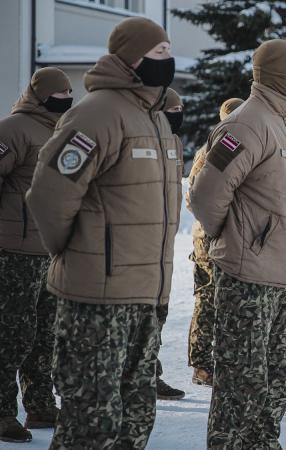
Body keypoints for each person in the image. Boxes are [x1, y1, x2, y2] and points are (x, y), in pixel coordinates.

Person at [26, 17, 180, 448]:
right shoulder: (96, 113)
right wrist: (75, 253)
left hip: (146, 295)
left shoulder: (156, 118)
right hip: (97, 296)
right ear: (132, 58)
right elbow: (48, 196)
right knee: (90, 422)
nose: (169, 60)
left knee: (135, 417)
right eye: (161, 51)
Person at [188, 39, 286, 449]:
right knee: (242, 380)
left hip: (282, 273)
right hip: (250, 275)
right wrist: (240, 237)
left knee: (277, 377)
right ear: (278, 73)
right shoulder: (246, 124)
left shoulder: (284, 122)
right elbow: (206, 196)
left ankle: (262, 443)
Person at [0, 67, 71, 443]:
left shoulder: (63, 131)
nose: (66, 97)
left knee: (45, 334)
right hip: (14, 253)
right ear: (40, 94)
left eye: (69, 91)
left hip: (49, 251)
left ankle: (41, 404)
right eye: (59, 92)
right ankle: (2, 412)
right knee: (11, 334)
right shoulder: (14, 129)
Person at [186, 97, 243, 387]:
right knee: (208, 299)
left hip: (227, 234)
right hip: (209, 237)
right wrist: (217, 226)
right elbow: (195, 197)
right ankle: (201, 365)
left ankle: (220, 361)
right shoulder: (214, 149)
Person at [154, 88, 186, 401]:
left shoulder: (174, 143)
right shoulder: (141, 139)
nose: (178, 113)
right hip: (136, 242)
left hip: (165, 240)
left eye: (181, 108)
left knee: (158, 312)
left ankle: (151, 372)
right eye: (171, 108)